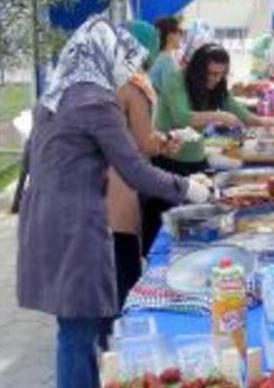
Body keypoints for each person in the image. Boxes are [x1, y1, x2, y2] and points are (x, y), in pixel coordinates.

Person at [16, 15, 210, 388]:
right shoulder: (95, 102)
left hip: (43, 217)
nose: (126, 70)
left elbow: (32, 158)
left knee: (73, 323)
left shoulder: (56, 95)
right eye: (122, 58)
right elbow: (135, 170)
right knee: (78, 330)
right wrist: (189, 188)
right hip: (73, 223)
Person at [140, 43, 274, 255]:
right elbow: (182, 117)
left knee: (196, 224)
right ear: (197, 68)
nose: (215, 79)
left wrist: (267, 122)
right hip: (167, 163)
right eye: (211, 73)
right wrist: (219, 116)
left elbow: (241, 114)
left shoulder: (217, 86)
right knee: (162, 226)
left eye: (221, 75)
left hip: (197, 162)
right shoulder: (176, 80)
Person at [104, 21, 183, 326]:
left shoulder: (99, 77)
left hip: (91, 187)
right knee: (124, 273)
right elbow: (142, 141)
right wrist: (166, 143)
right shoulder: (132, 84)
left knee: (106, 273)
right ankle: (123, 339)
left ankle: (105, 334)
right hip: (120, 185)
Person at [150, 17, 184, 95]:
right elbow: (171, 95)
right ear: (170, 36)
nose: (182, 36)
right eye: (180, 32)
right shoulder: (167, 61)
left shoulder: (157, 57)